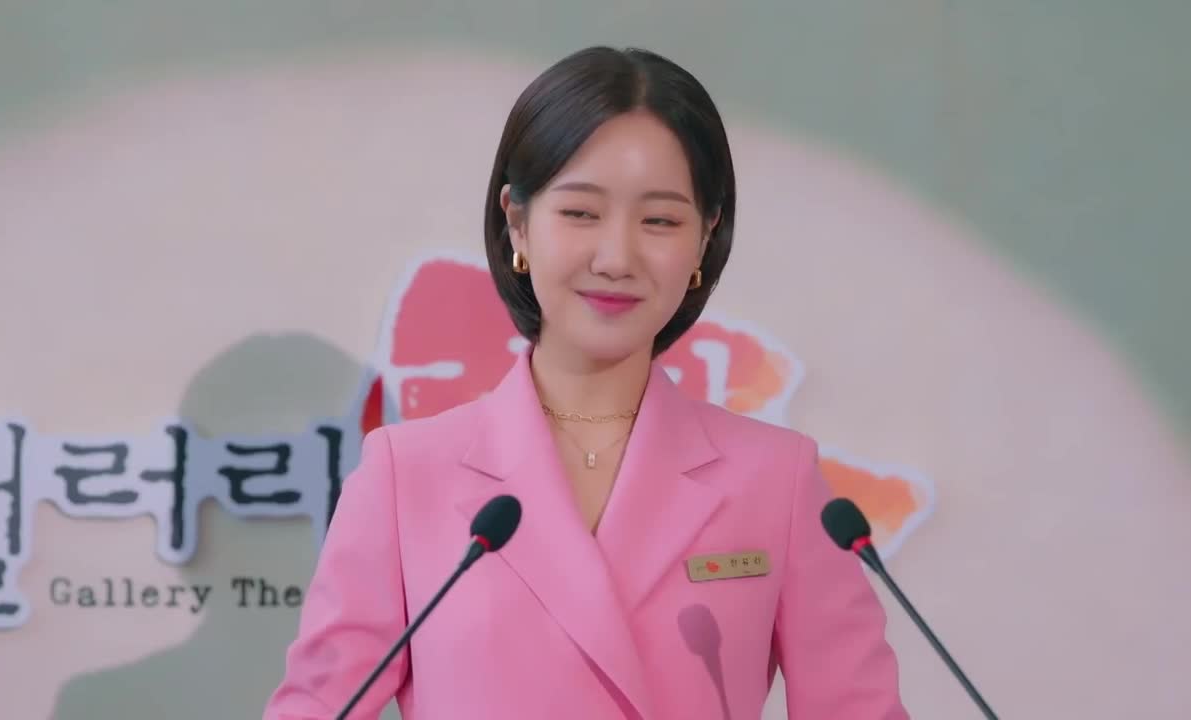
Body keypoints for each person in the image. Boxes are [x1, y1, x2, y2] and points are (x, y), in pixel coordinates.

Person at [264, 45, 907, 719]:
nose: (616, 257)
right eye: (580, 213)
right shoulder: (405, 476)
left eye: (660, 221)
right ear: (518, 222)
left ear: (704, 237)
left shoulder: (777, 481)